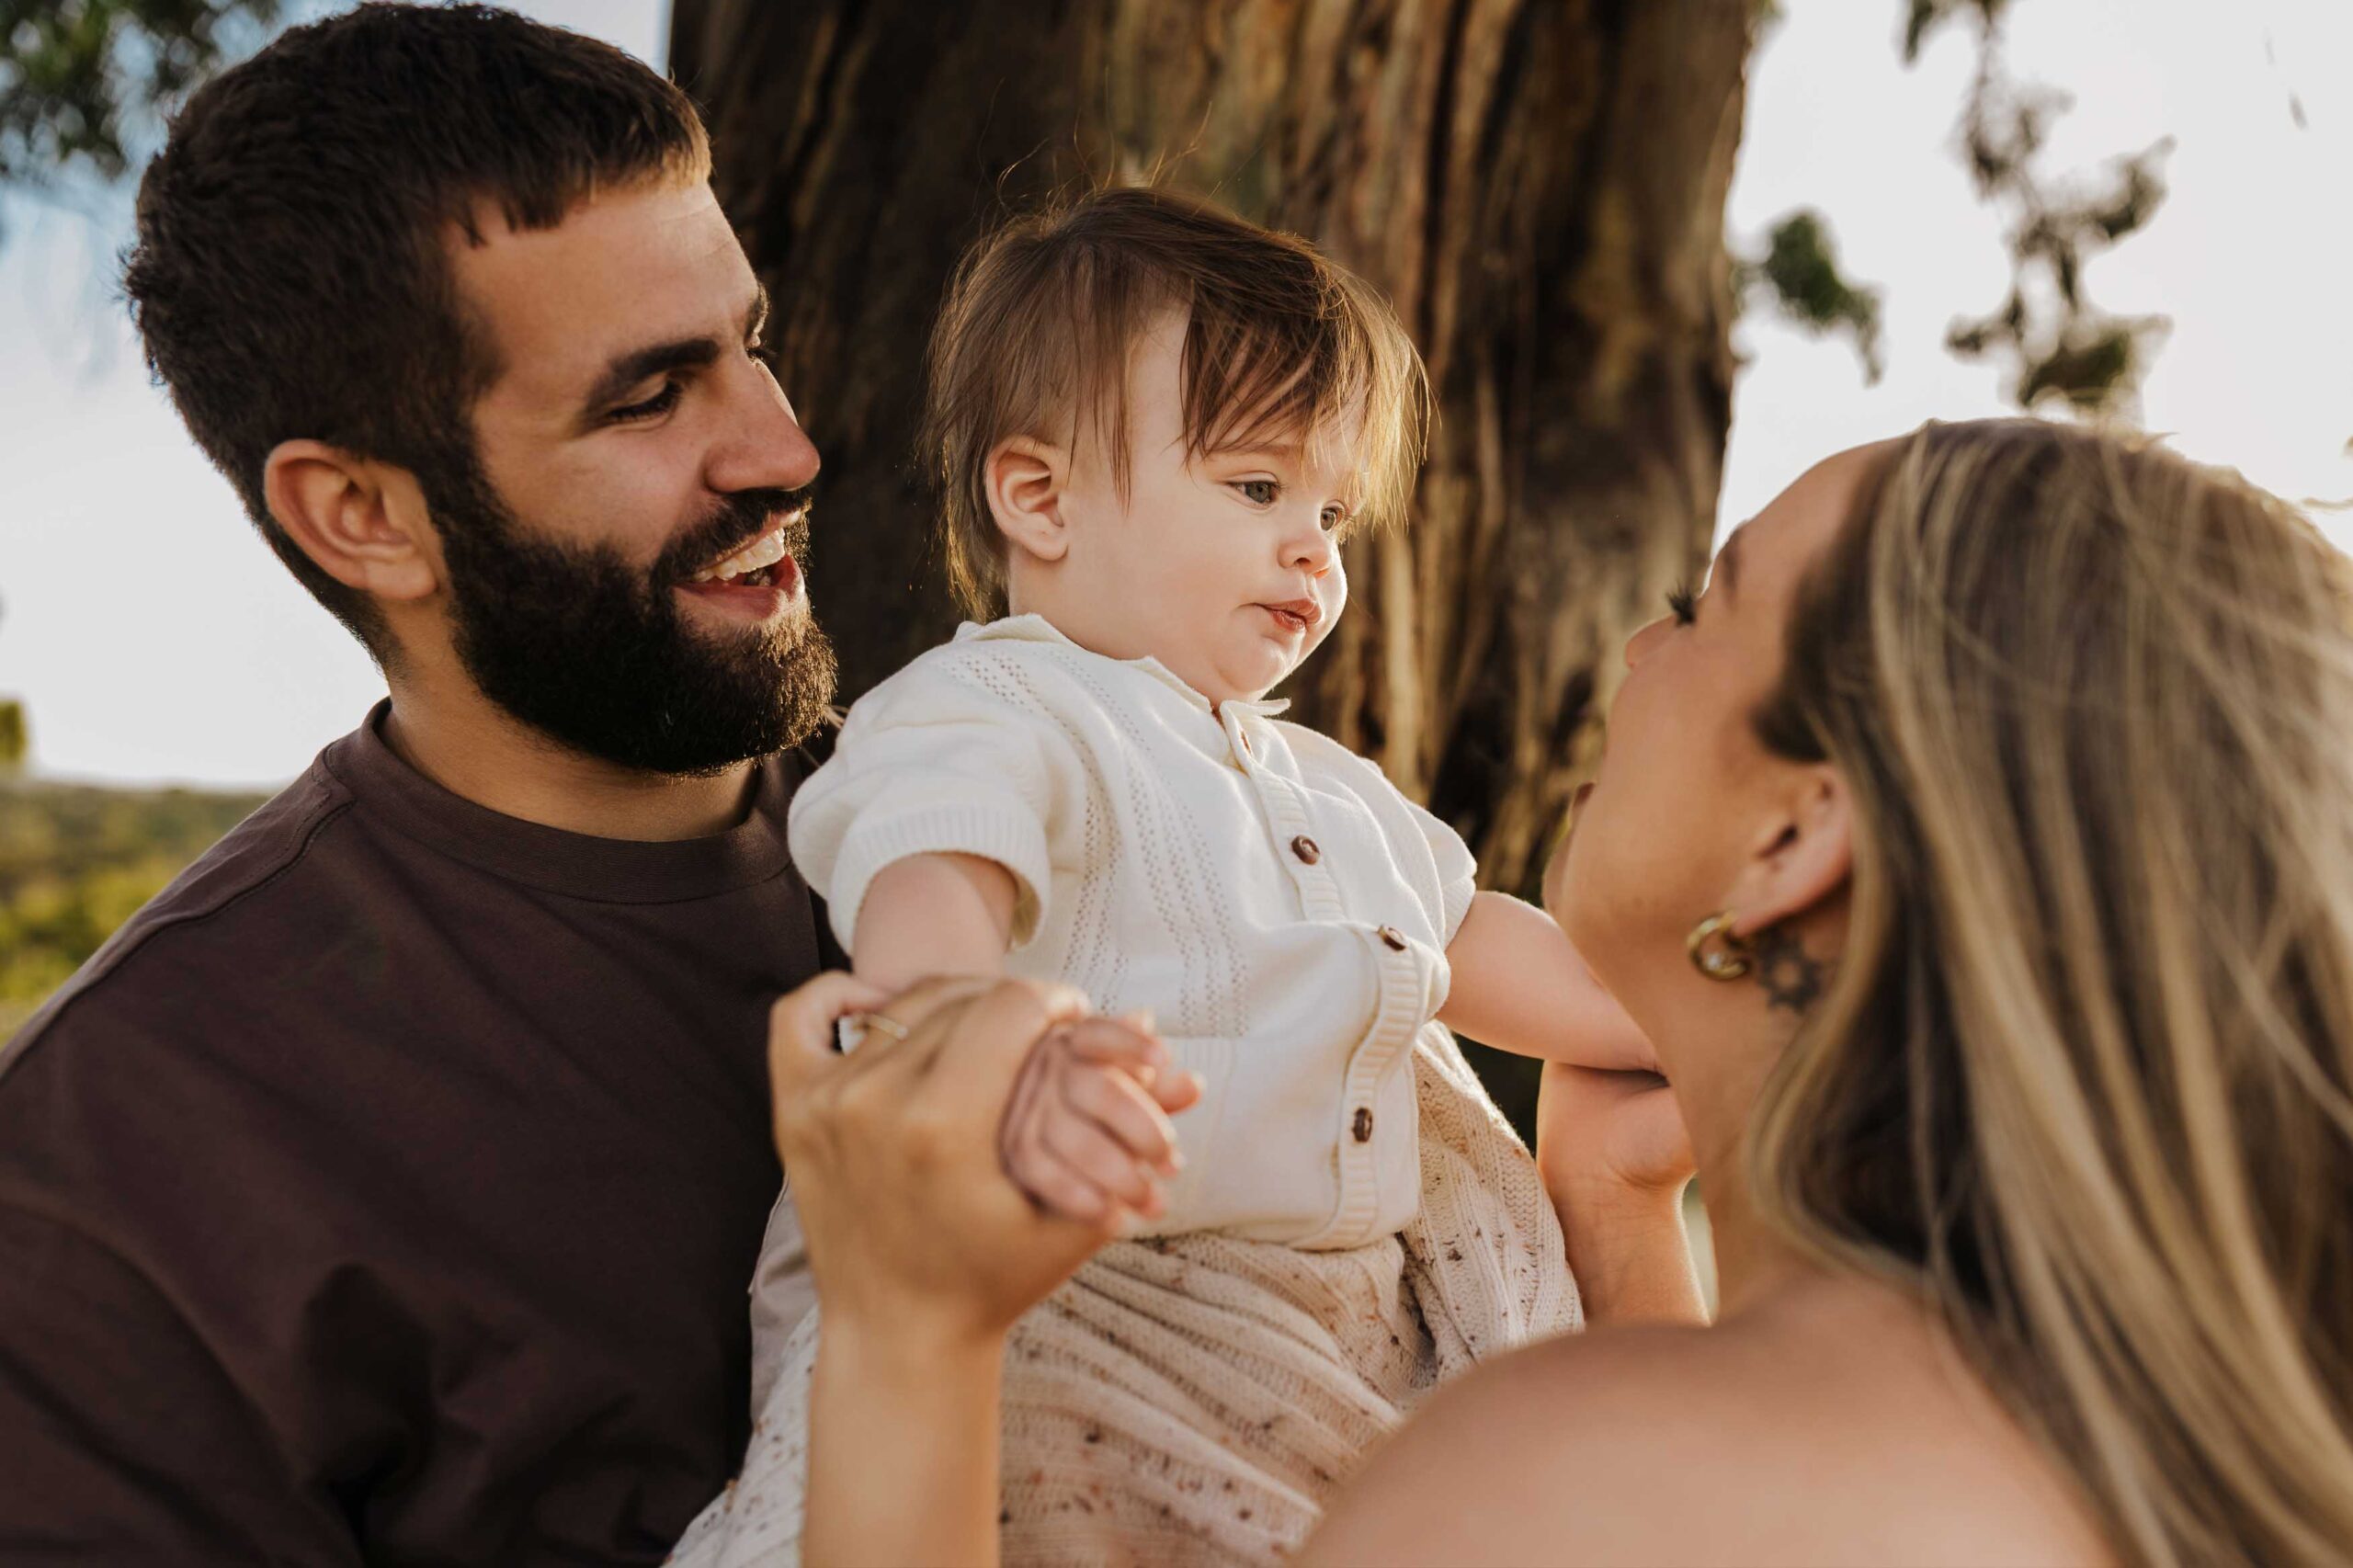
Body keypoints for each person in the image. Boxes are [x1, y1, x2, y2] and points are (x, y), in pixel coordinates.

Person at [756, 419, 2353, 1565]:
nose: (1638, 654)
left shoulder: (1572, 1489)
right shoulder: (2092, 1462)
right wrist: (1615, 1217)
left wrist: (908, 1333)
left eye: (1705, 604)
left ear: (1800, 829)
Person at [0, 6, 1131, 1560]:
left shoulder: (1026, 809)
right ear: (362, 516)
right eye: (649, 398)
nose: (787, 448)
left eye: (753, 345)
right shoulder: (118, 1170)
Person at [676, 187, 1642, 1566]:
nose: (1314, 549)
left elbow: (1471, 937)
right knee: (1032, 1460)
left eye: (1336, 513)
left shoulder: (1328, 787)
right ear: (1041, 496)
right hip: (1086, 1284)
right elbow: (931, 879)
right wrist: (973, 1054)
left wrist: (1659, 1019)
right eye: (1259, 489)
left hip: (1324, 1329)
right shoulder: (1001, 709)